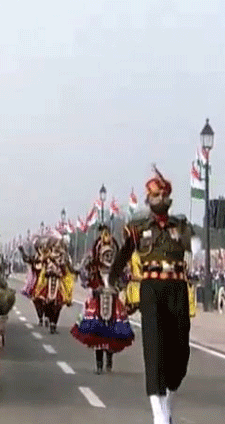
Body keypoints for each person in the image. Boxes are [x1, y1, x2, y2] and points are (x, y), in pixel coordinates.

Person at [109, 168, 194, 424]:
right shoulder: (137, 228)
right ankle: (159, 415)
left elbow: (195, 248)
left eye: (163, 194)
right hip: (151, 289)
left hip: (178, 288)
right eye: (154, 195)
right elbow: (124, 254)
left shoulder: (181, 226)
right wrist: (112, 279)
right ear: (148, 199)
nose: (159, 199)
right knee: (154, 349)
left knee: (180, 353)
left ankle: (168, 402)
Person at [71, 224, 134, 374]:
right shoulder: (93, 267)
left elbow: (125, 279)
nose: (109, 258)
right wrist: (95, 288)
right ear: (99, 254)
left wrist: (118, 287)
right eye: (105, 255)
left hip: (113, 302)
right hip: (97, 302)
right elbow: (85, 277)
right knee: (96, 333)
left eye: (111, 255)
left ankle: (109, 362)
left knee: (112, 332)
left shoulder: (118, 269)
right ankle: (99, 364)